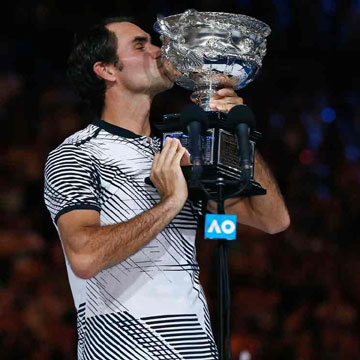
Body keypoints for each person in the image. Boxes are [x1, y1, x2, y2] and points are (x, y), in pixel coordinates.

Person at [44, 17, 290, 360]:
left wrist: (237, 134)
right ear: (106, 70)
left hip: (197, 350)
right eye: (140, 45)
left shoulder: (181, 151)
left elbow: (272, 219)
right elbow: (85, 257)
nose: (159, 50)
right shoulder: (77, 154)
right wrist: (171, 202)